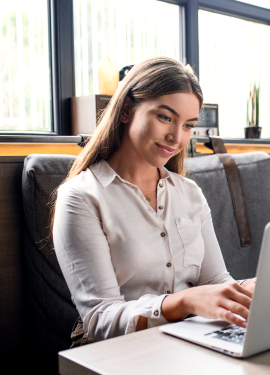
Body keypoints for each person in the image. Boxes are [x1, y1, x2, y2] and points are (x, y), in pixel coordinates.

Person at [52, 57, 254, 343]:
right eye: (165, 117)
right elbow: (100, 318)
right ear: (126, 111)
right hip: (118, 349)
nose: (176, 137)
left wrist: (247, 289)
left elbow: (215, 282)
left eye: (188, 125)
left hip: (192, 336)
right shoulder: (81, 197)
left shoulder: (190, 193)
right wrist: (183, 302)